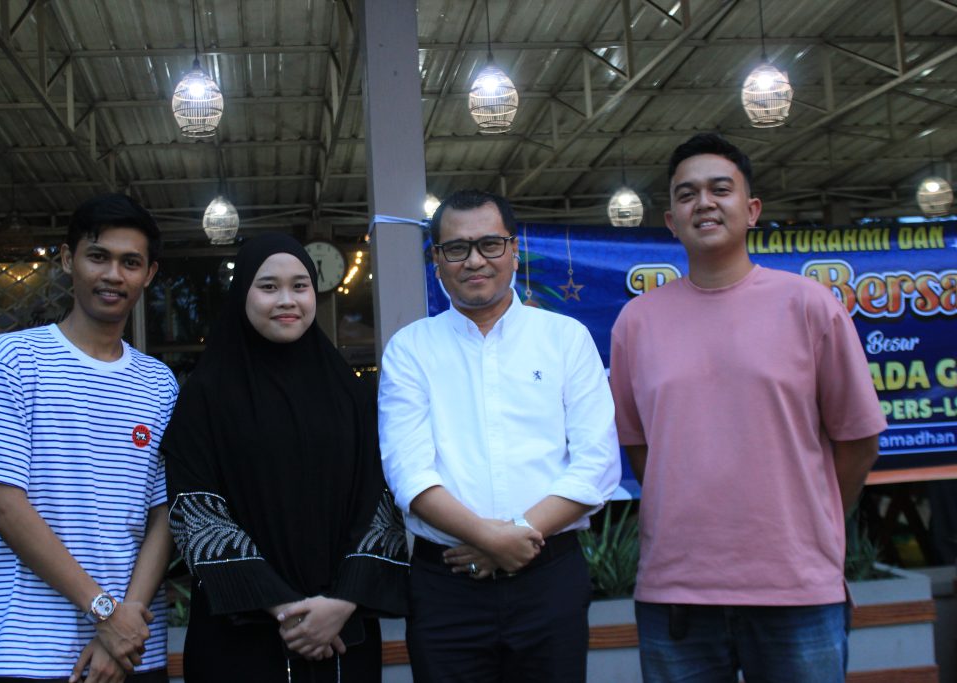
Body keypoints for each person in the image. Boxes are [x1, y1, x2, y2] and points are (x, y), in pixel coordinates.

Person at [609, 133, 886, 683]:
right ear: (670, 220)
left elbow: (857, 439)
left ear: (752, 209)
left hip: (796, 587)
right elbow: (639, 448)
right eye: (687, 194)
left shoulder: (808, 304)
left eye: (720, 189)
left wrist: (808, 515)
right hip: (677, 591)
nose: (704, 203)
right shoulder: (636, 323)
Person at [378, 189, 621, 682]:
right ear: (437, 260)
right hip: (447, 586)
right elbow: (408, 473)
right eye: (456, 248)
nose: (474, 260)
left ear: (514, 250)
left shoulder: (566, 338)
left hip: (549, 579)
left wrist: (512, 537)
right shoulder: (410, 350)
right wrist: (491, 539)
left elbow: (596, 466)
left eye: (490, 244)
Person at [0, 193, 176, 683]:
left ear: (149, 274)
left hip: (135, 651)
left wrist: (123, 623)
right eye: (98, 256)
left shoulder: (160, 384)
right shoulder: (13, 359)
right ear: (68, 259)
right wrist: (104, 612)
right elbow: (4, 506)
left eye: (130, 262)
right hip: (30, 652)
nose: (113, 275)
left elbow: (164, 514)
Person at [163, 234, 407, 683]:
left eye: (300, 286)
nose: (287, 300)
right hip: (239, 634)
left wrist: (343, 602)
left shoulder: (350, 393)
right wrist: (284, 607)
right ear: (243, 294)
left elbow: (383, 496)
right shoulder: (205, 395)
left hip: (342, 631)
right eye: (268, 286)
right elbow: (195, 509)